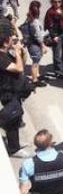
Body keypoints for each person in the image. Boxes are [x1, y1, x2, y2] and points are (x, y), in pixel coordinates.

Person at [0, 19, 28, 156]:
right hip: (7, 92)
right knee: (12, 118)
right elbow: (19, 68)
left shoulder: (6, 54)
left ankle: (15, 143)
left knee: (16, 118)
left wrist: (22, 53)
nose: (13, 40)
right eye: (11, 38)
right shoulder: (1, 58)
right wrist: (17, 52)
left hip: (14, 91)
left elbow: (22, 65)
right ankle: (13, 149)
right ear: (5, 42)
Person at [23, 1, 47, 87]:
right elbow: (38, 36)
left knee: (36, 61)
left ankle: (37, 75)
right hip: (35, 45)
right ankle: (34, 80)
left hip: (31, 44)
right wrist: (43, 45)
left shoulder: (29, 18)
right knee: (35, 62)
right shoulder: (35, 22)